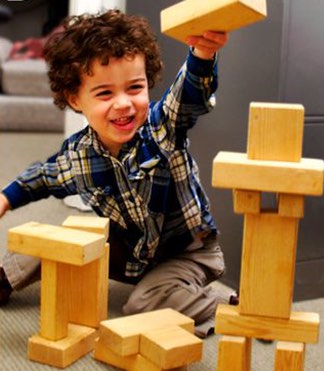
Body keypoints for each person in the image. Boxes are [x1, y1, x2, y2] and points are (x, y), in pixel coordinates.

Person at [0, 9, 234, 337]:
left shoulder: (161, 127)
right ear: (75, 99)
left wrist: (203, 53)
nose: (123, 104)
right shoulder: (78, 154)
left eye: (134, 88)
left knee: (142, 305)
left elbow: (188, 97)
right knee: (52, 240)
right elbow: (41, 177)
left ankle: (225, 305)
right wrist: (6, 198)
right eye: (105, 93)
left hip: (186, 252)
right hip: (128, 250)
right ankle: (3, 278)